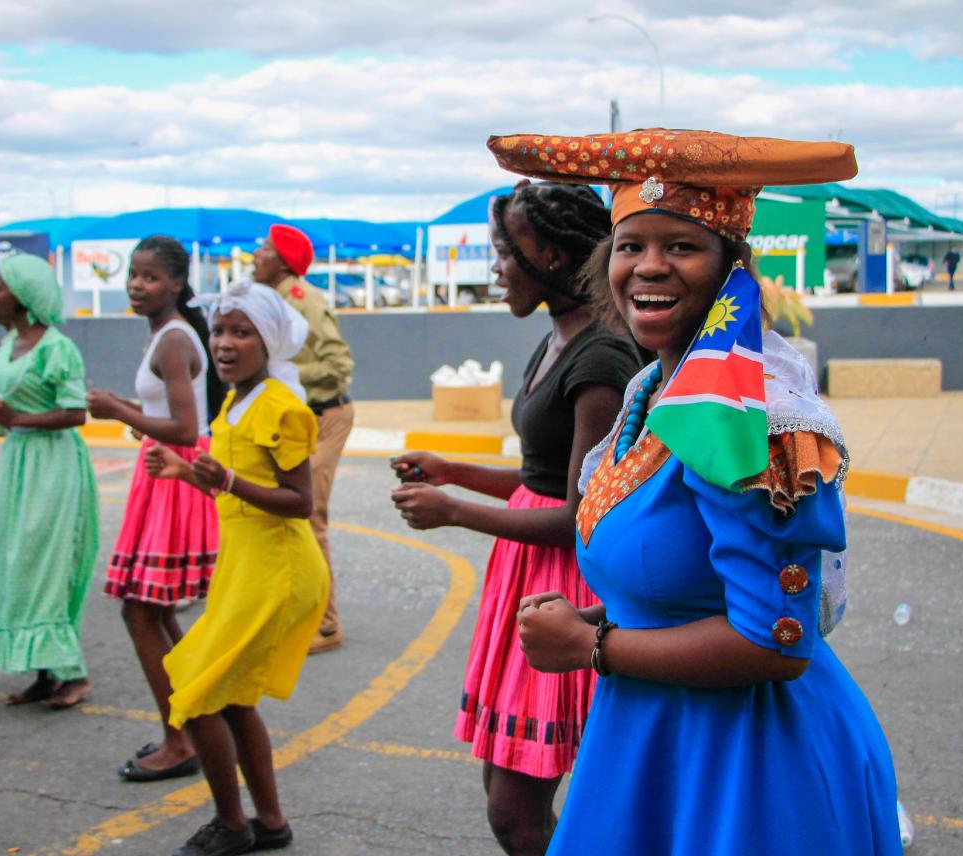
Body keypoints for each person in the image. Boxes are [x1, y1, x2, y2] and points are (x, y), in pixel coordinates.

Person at [489, 128, 901, 853]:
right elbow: (685, 570)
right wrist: (602, 612)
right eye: (630, 245)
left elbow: (775, 642)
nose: (650, 266)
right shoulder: (652, 386)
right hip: (651, 738)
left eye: (680, 246)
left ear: (726, 270)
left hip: (749, 766)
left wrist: (594, 646)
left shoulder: (749, 412)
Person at [390, 182, 639, 856]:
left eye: (507, 251)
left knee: (516, 808)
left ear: (554, 257)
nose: (496, 267)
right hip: (527, 570)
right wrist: (454, 471)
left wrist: (455, 511)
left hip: (569, 583)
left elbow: (579, 515)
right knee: (514, 799)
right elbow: (541, 478)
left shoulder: (602, 359)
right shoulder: (558, 340)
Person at [146, 279, 328, 856]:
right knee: (228, 696)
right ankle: (269, 824)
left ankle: (233, 825)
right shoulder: (235, 401)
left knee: (196, 688)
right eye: (220, 331)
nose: (225, 343)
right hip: (245, 563)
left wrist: (227, 480)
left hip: (278, 568)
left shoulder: (280, 406)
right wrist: (183, 471)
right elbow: (233, 489)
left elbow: (300, 501)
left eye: (241, 332)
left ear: (267, 341)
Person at [88, 236, 224, 780]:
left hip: (173, 474)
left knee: (141, 608)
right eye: (133, 276)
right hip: (161, 472)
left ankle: (181, 737)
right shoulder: (167, 334)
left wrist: (118, 408)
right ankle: (193, 724)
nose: (137, 286)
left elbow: (187, 430)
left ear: (175, 283)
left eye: (149, 277)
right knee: (155, 609)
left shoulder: (173, 339)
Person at [0, 254, 99, 709]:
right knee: (18, 562)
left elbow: (75, 412)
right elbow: (5, 418)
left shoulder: (57, 347)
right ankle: (45, 672)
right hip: (19, 462)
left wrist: (15, 416)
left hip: (53, 465)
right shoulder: (7, 346)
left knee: (48, 564)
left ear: (23, 297)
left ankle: (73, 674)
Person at [252, 224, 354, 655]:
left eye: (264, 249)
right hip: (297, 419)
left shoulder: (303, 300)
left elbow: (338, 364)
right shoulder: (268, 300)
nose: (255, 255)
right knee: (279, 517)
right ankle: (292, 612)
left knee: (308, 514)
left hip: (325, 416)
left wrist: (284, 376)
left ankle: (327, 625)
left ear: (281, 261)